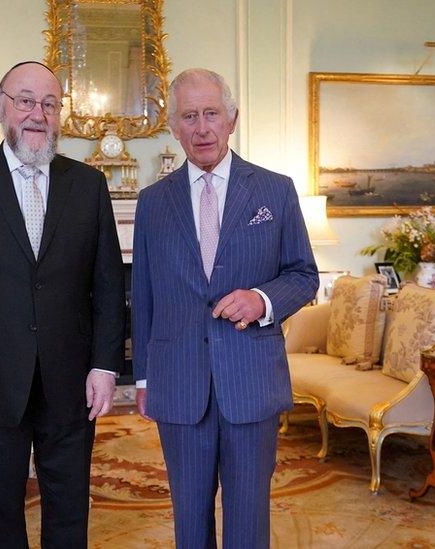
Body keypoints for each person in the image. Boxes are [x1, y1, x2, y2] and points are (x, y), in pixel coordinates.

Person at [0, 61, 125, 549]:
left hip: (70, 382)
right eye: (25, 100)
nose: (38, 114)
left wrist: (104, 365)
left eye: (50, 104)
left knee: (71, 512)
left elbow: (109, 284)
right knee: (1, 516)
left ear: (60, 116)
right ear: (0, 107)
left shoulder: (88, 184)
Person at [130, 68, 319, 548]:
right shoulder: (153, 202)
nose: (202, 127)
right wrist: (145, 379)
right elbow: (145, 294)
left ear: (232, 118)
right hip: (179, 384)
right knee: (189, 522)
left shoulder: (275, 191)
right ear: (173, 127)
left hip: (250, 381)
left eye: (211, 113)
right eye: (189, 116)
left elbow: (304, 275)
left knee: (248, 520)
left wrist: (262, 299)